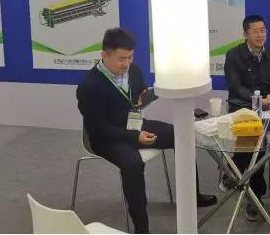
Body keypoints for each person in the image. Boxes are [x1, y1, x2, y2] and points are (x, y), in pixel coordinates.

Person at [76, 28, 217, 234]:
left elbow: (137, 98)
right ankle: (141, 228)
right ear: (104, 55)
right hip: (107, 137)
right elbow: (97, 129)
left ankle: (192, 196)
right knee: (133, 164)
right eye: (121, 59)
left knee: (182, 135)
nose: (127, 63)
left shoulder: (133, 70)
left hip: (135, 125)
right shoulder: (89, 86)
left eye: (130, 57)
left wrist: (144, 98)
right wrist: (135, 137)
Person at [224, 15, 270, 221]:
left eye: (263, 30)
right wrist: (258, 99)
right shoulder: (233, 55)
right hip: (243, 108)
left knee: (258, 139)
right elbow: (235, 87)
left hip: (268, 109)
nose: (260, 35)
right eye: (255, 31)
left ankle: (232, 171)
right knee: (257, 140)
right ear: (245, 34)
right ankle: (255, 196)